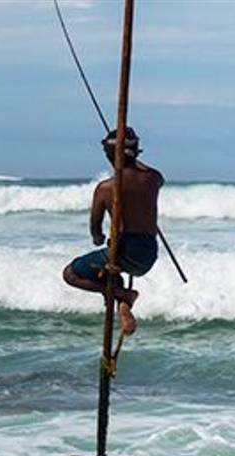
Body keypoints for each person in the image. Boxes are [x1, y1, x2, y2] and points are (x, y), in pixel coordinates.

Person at [62, 127, 162, 336]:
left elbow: (96, 231)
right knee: (111, 272)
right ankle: (123, 304)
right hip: (148, 254)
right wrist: (131, 157)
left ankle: (123, 295)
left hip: (124, 251)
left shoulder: (106, 188)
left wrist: (98, 238)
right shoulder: (153, 179)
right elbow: (145, 170)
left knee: (70, 273)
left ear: (110, 155)